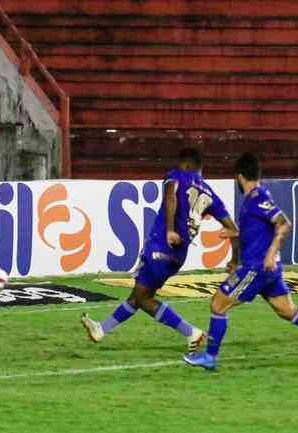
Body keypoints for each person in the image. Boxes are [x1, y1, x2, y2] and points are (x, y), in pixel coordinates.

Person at [183, 152, 298, 370]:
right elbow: (257, 233)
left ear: (239, 177)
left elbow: (283, 223)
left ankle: (210, 358)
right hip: (267, 270)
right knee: (287, 310)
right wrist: (235, 249)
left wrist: (270, 253)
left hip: (257, 268)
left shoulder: (257, 198)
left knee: (218, 305)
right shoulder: (253, 199)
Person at [81, 148, 239, 353]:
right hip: (179, 256)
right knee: (140, 293)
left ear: (184, 164)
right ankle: (101, 329)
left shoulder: (177, 174)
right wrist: (235, 260)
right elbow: (234, 230)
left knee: (143, 298)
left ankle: (191, 332)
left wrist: (171, 230)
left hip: (161, 245)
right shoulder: (209, 192)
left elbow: (170, 196)